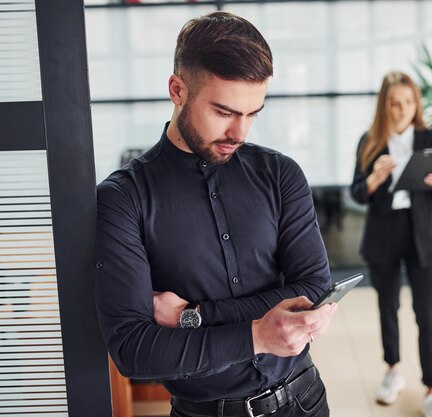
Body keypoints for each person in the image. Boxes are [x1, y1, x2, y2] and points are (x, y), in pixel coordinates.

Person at [95, 12, 338, 417]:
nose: (239, 134)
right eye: (224, 112)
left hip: (304, 401)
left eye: (253, 113)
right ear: (177, 89)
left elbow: (312, 287)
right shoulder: (123, 199)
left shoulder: (280, 174)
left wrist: (194, 315)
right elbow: (134, 350)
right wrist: (257, 334)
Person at [349, 71, 432, 417]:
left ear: (416, 104)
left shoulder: (430, 137)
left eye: (408, 102)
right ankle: (393, 371)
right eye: (395, 103)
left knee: (427, 315)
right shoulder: (370, 141)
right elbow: (357, 192)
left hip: (421, 235)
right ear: (384, 105)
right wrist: (375, 179)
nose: (402, 109)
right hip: (384, 234)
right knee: (387, 308)